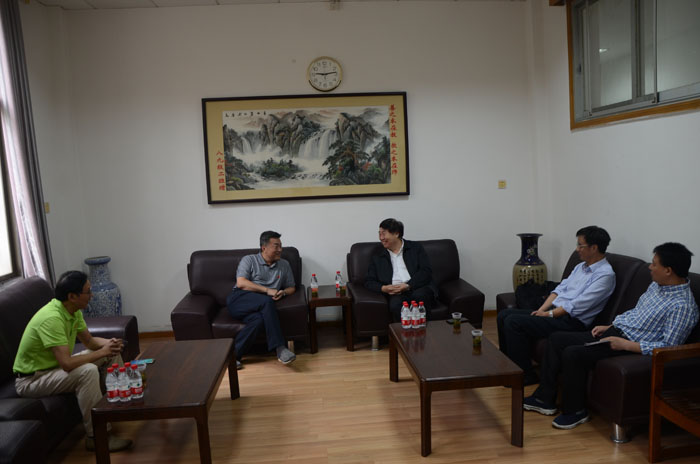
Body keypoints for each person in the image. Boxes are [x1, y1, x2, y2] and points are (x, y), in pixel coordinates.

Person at [523, 242, 699, 429]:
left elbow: (669, 347)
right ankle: (545, 399)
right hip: (615, 331)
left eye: (654, 264)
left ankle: (575, 411)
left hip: (631, 345)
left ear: (668, 270)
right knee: (557, 338)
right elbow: (636, 314)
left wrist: (625, 345)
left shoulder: (682, 306)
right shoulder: (657, 286)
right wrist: (610, 326)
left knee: (573, 353)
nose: (650, 267)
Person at [13, 271, 132, 452]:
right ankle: (97, 437)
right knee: (87, 371)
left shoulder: (71, 310)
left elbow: (90, 342)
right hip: (32, 380)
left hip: (53, 369)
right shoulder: (52, 319)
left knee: (111, 353)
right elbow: (67, 364)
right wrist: (102, 351)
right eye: (88, 291)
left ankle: (122, 405)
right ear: (72, 296)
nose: (91, 295)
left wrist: (110, 343)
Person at [497, 226, 616, 385]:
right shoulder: (581, 267)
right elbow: (559, 290)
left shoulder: (605, 275)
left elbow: (577, 305)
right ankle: (509, 368)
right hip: (555, 313)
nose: (577, 249)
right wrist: (541, 310)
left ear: (594, 248)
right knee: (504, 315)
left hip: (572, 322)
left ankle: (525, 375)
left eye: (580, 245)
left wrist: (548, 315)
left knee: (513, 322)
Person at [226, 230, 297, 369]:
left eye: (281, 246)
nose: (280, 250)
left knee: (259, 320)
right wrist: (268, 291)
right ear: (264, 248)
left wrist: (283, 292)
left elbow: (292, 287)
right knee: (267, 301)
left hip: (261, 305)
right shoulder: (249, 260)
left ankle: (233, 356)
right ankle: (280, 348)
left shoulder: (284, 264)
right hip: (239, 299)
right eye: (276, 246)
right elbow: (241, 283)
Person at [365, 218, 437, 322]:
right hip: (396, 293)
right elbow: (369, 281)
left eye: (384, 234)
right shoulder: (377, 255)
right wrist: (384, 288)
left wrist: (408, 285)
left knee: (419, 296)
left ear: (396, 234)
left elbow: (426, 271)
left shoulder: (415, 248)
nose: (381, 238)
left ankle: (423, 330)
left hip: (417, 287)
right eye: (379, 234)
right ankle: (404, 332)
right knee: (395, 305)